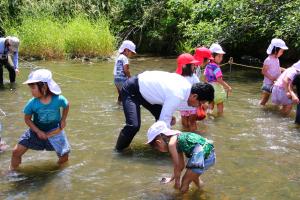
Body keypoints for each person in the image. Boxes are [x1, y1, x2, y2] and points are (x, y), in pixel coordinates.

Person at [115, 70, 214, 151]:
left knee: (166, 122)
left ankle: (155, 147)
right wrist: (172, 148)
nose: (199, 107)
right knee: (133, 126)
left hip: (148, 92)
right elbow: (164, 123)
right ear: (195, 96)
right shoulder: (177, 94)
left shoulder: (188, 89)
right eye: (200, 103)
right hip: (132, 89)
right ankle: (118, 152)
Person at [10, 69, 71, 170]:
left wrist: (63, 119)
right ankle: (12, 171)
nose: (31, 91)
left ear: (44, 87)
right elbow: (27, 119)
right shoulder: (32, 103)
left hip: (55, 131)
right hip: (36, 131)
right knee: (16, 152)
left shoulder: (58, 99)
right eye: (30, 88)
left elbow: (66, 104)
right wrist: (38, 131)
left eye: (33, 88)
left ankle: (58, 172)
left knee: (64, 156)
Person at [146, 121, 215, 193]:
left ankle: (181, 197)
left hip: (203, 154)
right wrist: (172, 178)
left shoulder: (171, 144)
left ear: (158, 142)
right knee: (194, 177)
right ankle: (202, 192)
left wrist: (177, 182)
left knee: (185, 181)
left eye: (157, 148)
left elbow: (176, 165)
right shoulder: (176, 137)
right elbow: (181, 165)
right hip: (209, 153)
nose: (158, 150)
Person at [175, 53, 201, 132]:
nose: (194, 67)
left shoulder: (176, 77)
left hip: (181, 105)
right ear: (186, 66)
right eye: (193, 65)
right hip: (192, 104)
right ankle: (193, 135)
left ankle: (185, 133)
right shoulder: (193, 77)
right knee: (192, 122)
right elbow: (198, 88)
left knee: (184, 121)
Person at [204, 43, 232, 116]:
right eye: (219, 56)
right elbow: (219, 79)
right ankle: (220, 118)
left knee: (210, 105)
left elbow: (205, 78)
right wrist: (228, 87)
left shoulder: (208, 65)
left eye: (221, 56)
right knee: (220, 103)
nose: (221, 58)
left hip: (209, 88)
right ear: (212, 56)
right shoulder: (216, 67)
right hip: (217, 88)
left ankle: (208, 117)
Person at [260, 38, 288, 105]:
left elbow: (277, 68)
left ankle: (275, 109)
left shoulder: (276, 59)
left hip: (275, 83)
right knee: (264, 100)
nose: (282, 53)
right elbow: (263, 71)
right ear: (276, 50)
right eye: (281, 51)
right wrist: (273, 79)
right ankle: (260, 108)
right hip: (268, 84)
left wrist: (286, 70)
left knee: (277, 100)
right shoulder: (268, 60)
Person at [113, 40, 136, 104]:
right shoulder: (125, 58)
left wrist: (115, 78)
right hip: (123, 79)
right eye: (131, 52)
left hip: (116, 79)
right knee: (128, 94)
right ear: (126, 50)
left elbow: (115, 70)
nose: (131, 54)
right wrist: (130, 78)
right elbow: (126, 70)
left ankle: (118, 105)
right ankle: (127, 106)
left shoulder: (118, 58)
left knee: (120, 94)